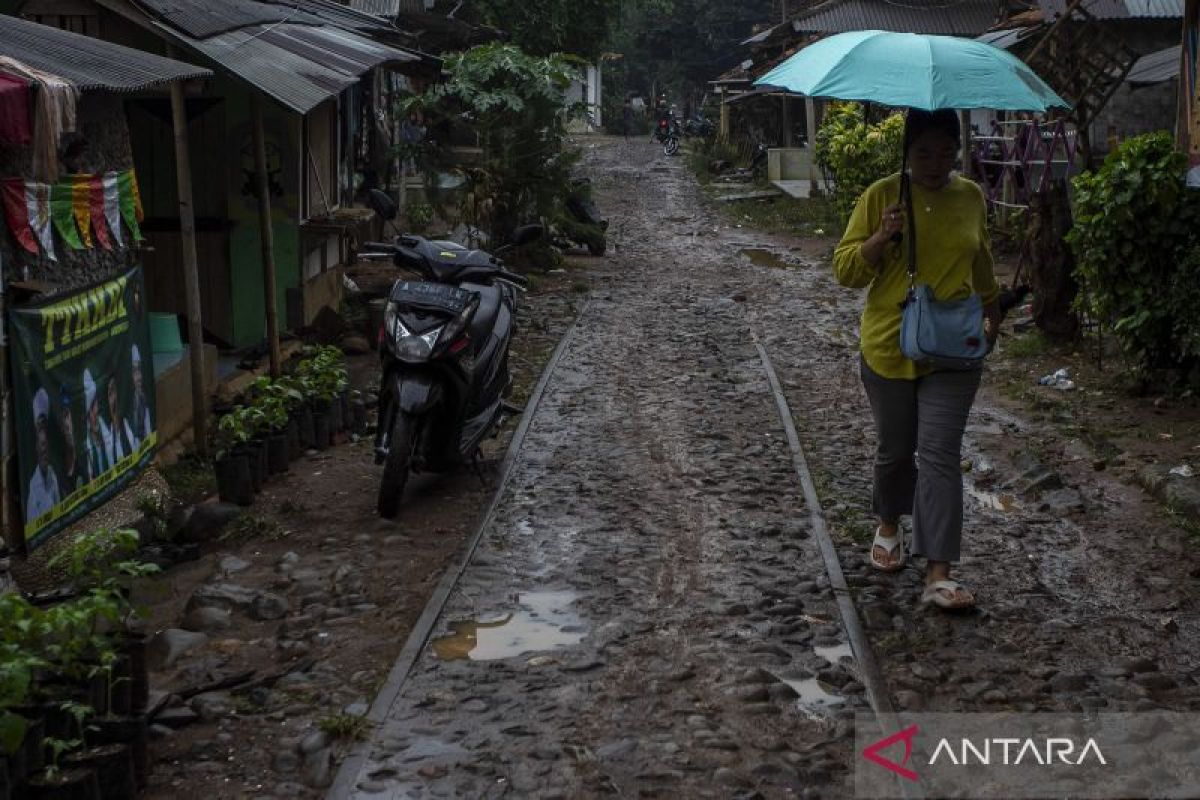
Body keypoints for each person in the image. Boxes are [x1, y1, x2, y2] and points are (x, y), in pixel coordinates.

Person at [832, 108, 1001, 611]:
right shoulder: (882, 195)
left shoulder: (970, 196)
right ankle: (889, 524)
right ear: (906, 153)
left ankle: (939, 573)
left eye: (946, 151)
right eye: (924, 151)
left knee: (942, 456)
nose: (936, 162)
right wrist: (882, 237)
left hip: (954, 349)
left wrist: (993, 313)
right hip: (890, 345)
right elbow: (845, 271)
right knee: (895, 451)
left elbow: (981, 256)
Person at [27, 387, 61, 524]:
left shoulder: (52, 476)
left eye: (44, 428)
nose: (44, 442)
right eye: (40, 429)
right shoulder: (33, 491)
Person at [57, 384, 87, 492]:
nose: (68, 424)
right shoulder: (57, 479)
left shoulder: (86, 466)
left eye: (70, 415)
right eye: (64, 416)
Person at [102, 374, 137, 464]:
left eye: (116, 390)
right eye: (111, 393)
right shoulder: (107, 439)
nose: (115, 397)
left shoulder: (132, 423)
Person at [83, 369, 110, 477]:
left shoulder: (106, 431)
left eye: (96, 404)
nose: (96, 410)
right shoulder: (86, 448)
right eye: (92, 406)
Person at [130, 344, 152, 442]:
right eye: (135, 372)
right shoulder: (126, 406)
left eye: (139, 371)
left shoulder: (143, 398)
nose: (139, 378)